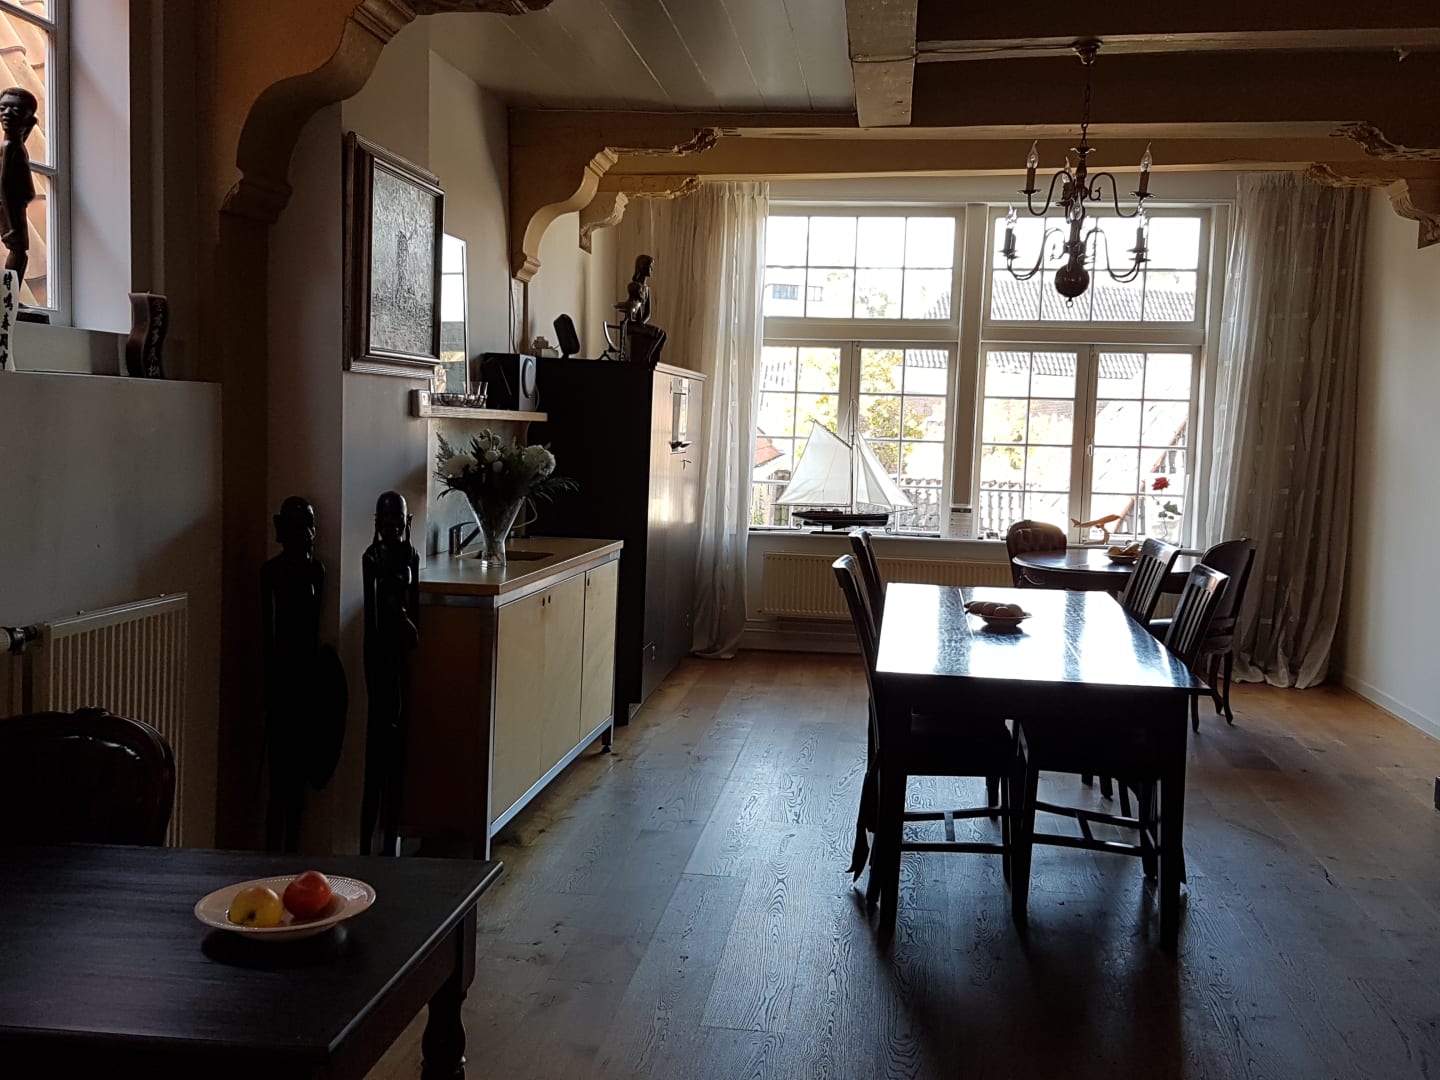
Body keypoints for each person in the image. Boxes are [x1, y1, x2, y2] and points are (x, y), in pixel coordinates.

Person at [360, 491, 420, 856]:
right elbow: (372, 622)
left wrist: (407, 624)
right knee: (376, 756)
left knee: (399, 756)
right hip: (380, 658)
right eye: (386, 521)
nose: (392, 527)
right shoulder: (371, 558)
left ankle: (390, 843)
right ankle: (367, 846)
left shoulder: (410, 556)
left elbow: (416, 617)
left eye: (398, 521)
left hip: (400, 658)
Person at [0, 87, 37, 292]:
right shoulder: (9, 146)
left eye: (15, 110)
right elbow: (4, 184)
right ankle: (9, 298)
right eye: (3, 108)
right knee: (19, 251)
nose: (7, 113)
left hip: (14, 205)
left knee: (20, 252)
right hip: (11, 206)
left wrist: (29, 125)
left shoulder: (15, 142)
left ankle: (9, 298)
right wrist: (12, 222)